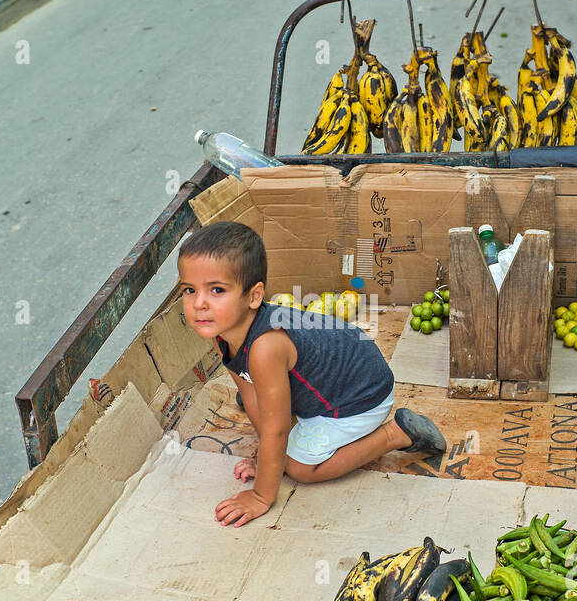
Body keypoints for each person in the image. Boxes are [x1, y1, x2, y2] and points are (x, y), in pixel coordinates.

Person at [178, 222, 447, 528]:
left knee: (300, 468)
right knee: (259, 405)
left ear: (254, 296)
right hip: (337, 372)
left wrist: (261, 494)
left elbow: (277, 430)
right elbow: (251, 392)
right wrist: (264, 458)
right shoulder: (222, 333)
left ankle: (397, 434)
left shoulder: (265, 348)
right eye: (189, 290)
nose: (199, 303)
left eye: (216, 290)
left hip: (358, 397)